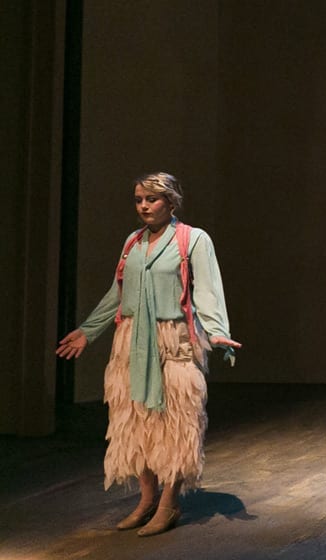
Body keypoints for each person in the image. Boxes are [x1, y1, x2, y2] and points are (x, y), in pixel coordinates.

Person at [56, 172, 242, 536]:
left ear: (170, 202)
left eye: (151, 199)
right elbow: (118, 293)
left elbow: (207, 290)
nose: (143, 205)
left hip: (174, 341)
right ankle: (146, 500)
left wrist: (218, 333)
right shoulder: (133, 243)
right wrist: (88, 331)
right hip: (131, 340)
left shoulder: (193, 240)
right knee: (135, 419)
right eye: (139, 199)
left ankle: (169, 503)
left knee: (176, 422)